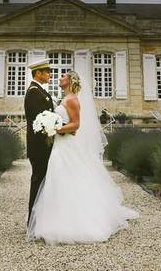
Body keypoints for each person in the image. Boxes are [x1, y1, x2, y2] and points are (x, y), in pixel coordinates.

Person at [26, 69, 139, 245]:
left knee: (68, 180)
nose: (59, 77)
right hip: (60, 145)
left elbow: (76, 125)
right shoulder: (64, 98)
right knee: (58, 182)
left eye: (63, 76)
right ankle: (54, 221)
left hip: (66, 144)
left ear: (70, 81)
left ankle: (76, 223)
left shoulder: (72, 100)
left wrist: (55, 128)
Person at [24, 58, 56, 224]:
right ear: (38, 73)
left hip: (43, 146)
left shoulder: (39, 90)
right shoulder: (34, 92)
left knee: (42, 181)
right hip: (39, 147)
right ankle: (32, 221)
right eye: (47, 72)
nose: (50, 74)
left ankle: (40, 219)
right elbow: (39, 122)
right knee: (38, 180)